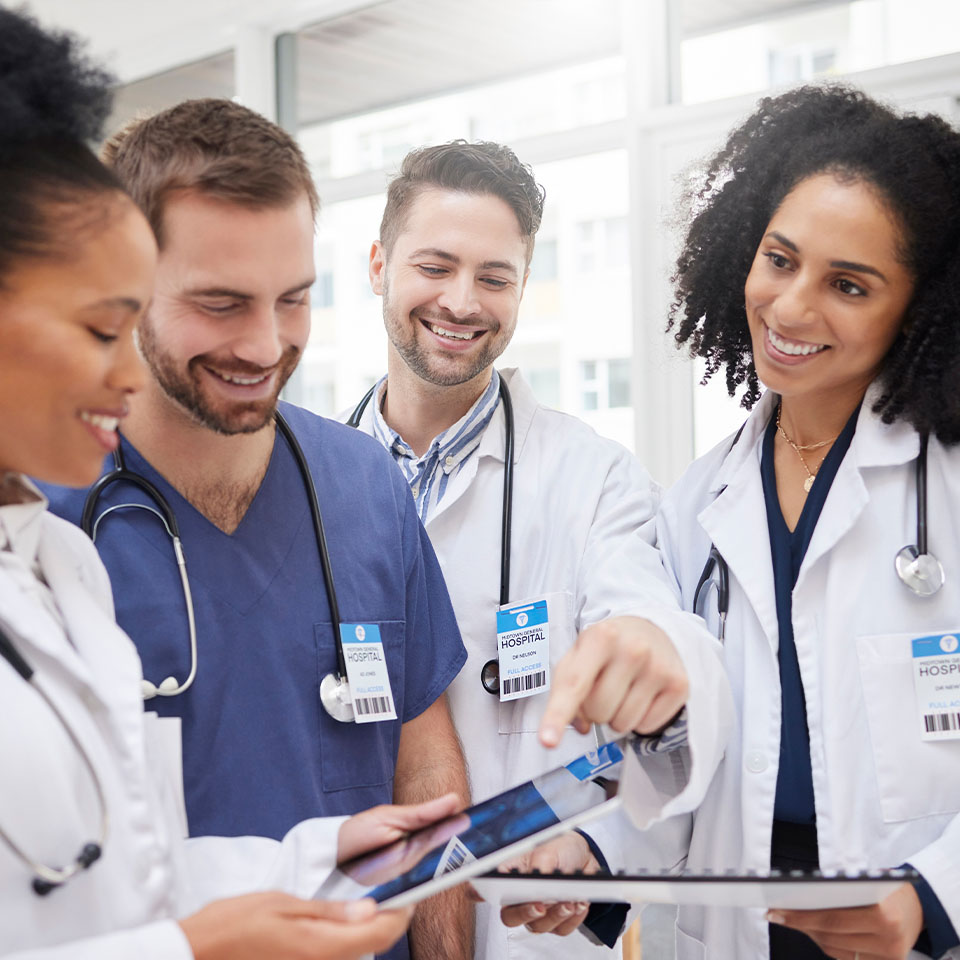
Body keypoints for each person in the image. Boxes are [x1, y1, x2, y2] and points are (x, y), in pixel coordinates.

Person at [0, 9, 461, 958]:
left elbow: (120, 868)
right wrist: (196, 949)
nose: (264, 343)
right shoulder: (78, 513)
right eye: (101, 325)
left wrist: (314, 859)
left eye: (293, 298)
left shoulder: (53, 567)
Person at [346, 140, 733, 958]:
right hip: (348, 921)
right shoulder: (306, 480)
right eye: (434, 266)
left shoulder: (592, 480)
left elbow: (647, 643)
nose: (461, 301)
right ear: (378, 264)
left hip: (520, 917)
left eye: (495, 277)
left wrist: (599, 848)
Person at [658, 84, 960, 959]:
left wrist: (928, 897)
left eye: (849, 285)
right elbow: (671, 753)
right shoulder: (698, 501)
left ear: (919, 308)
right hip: (739, 924)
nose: (790, 309)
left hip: (909, 930)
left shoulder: (943, 487)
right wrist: (589, 848)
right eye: (780, 259)